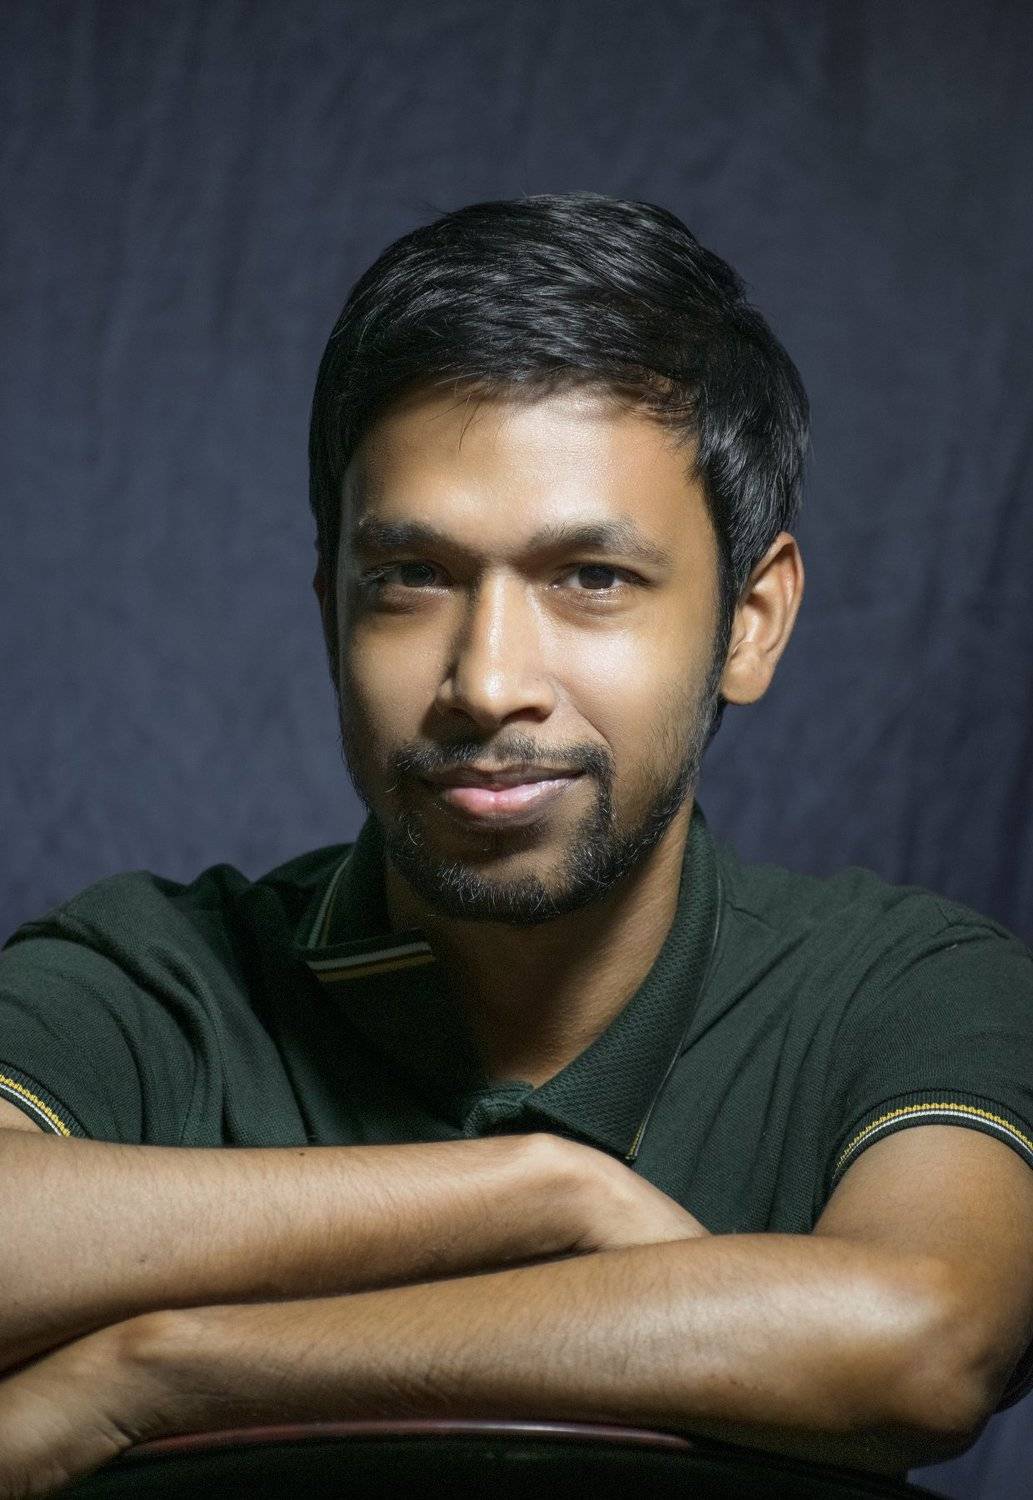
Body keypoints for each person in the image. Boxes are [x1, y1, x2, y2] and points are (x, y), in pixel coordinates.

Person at [2, 192, 1033, 1496]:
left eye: (591, 579)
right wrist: (537, 1195)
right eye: (412, 579)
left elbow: (923, 1336)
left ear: (750, 620)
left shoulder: (898, 990)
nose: (488, 684)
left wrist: (171, 1371)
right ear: (330, 612)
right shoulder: (160, 983)